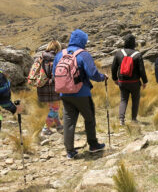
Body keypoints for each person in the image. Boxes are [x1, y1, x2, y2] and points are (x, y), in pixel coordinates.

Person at [53, 29, 108, 159]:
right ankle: (93, 145)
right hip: (81, 93)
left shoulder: (60, 54)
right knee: (89, 118)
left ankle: (70, 151)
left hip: (65, 94)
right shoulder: (83, 54)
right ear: (82, 41)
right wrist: (103, 77)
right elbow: (92, 74)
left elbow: (53, 74)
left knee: (68, 122)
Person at [111, 34, 148, 126]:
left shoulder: (119, 53)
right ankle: (134, 119)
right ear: (134, 43)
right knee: (135, 100)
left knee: (123, 99)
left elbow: (113, 68)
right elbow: (141, 70)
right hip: (134, 82)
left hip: (122, 82)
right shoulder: (137, 54)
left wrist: (115, 79)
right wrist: (145, 81)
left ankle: (121, 120)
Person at [35, 40, 64, 135]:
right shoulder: (57, 58)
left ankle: (59, 126)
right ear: (57, 48)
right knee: (55, 108)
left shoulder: (41, 57)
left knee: (53, 108)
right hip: (53, 87)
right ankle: (45, 129)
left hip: (42, 86)